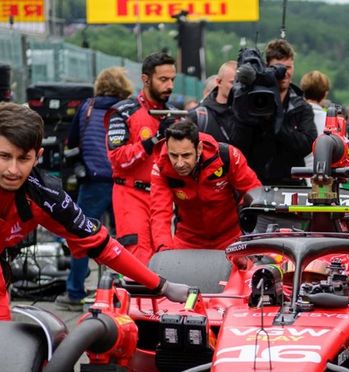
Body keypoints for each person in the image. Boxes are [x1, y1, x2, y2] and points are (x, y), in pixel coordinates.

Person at [0, 103, 190, 372]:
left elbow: (100, 244)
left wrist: (161, 285)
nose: (13, 170)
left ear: (38, 155)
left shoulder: (44, 193)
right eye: (5, 156)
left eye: (24, 159)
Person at [55, 66, 135, 311]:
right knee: (126, 238)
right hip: (122, 181)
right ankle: (127, 291)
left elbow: (72, 143)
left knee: (82, 236)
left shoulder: (86, 107)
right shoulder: (129, 109)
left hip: (93, 181)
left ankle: (75, 292)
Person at [106, 51, 176, 263]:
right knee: (139, 260)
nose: (170, 86)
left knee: (166, 258)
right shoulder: (123, 112)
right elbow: (117, 158)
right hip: (131, 194)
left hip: (162, 197)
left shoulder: (174, 115)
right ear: (146, 79)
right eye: (163, 79)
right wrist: (154, 139)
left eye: (172, 79)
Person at [149, 119, 261, 251]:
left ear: (199, 148)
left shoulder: (226, 156)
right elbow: (160, 213)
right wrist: (164, 250)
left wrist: (251, 228)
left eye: (186, 155)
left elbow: (254, 192)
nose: (179, 163)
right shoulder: (161, 167)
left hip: (231, 237)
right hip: (188, 240)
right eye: (173, 155)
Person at [228, 39, 317, 185]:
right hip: (256, 182)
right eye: (278, 68)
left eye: (288, 68)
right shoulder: (252, 103)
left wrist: (275, 122)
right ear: (267, 69)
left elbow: (307, 145)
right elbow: (238, 145)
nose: (284, 73)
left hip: (290, 184)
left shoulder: (301, 107)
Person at [191, 60, 235, 143]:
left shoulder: (247, 113)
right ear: (219, 82)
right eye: (233, 82)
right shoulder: (199, 116)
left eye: (241, 82)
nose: (237, 86)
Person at [300, 70, 331, 167]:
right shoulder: (333, 121)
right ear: (325, 94)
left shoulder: (294, 117)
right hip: (324, 173)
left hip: (297, 172)